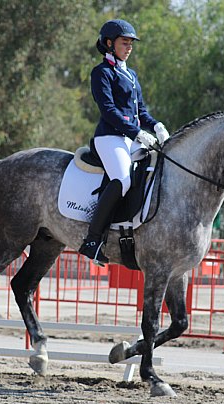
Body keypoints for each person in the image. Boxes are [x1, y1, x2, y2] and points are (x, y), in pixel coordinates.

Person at [78, 19, 170, 266]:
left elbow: (141, 111)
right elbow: (108, 110)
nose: (129, 47)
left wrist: (157, 126)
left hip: (130, 138)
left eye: (131, 43)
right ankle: (92, 240)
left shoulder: (130, 74)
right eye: (124, 43)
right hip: (110, 137)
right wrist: (137, 132)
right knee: (123, 179)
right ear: (109, 44)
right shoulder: (102, 73)